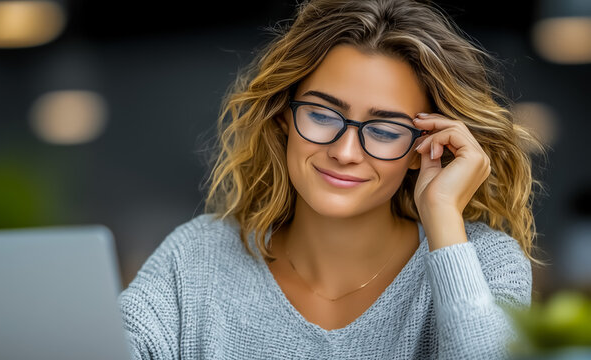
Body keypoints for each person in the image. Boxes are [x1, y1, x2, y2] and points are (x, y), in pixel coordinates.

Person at [118, 0, 546, 358]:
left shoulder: (485, 263)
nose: (344, 152)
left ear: (425, 147)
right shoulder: (195, 258)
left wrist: (442, 218)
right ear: (284, 116)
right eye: (322, 115)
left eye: (384, 130)